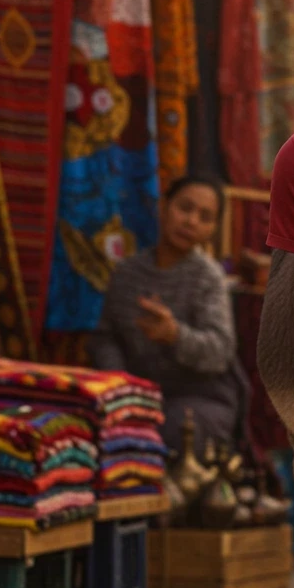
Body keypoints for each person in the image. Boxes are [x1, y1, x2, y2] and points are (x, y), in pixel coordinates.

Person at [88, 175, 248, 455]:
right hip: (134, 392)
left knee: (172, 430)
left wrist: (175, 335)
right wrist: (120, 385)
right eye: (184, 208)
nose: (191, 222)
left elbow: (220, 351)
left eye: (205, 217)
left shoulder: (207, 277)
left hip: (199, 396)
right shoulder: (127, 272)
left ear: (211, 229)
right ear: (164, 207)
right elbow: (106, 337)